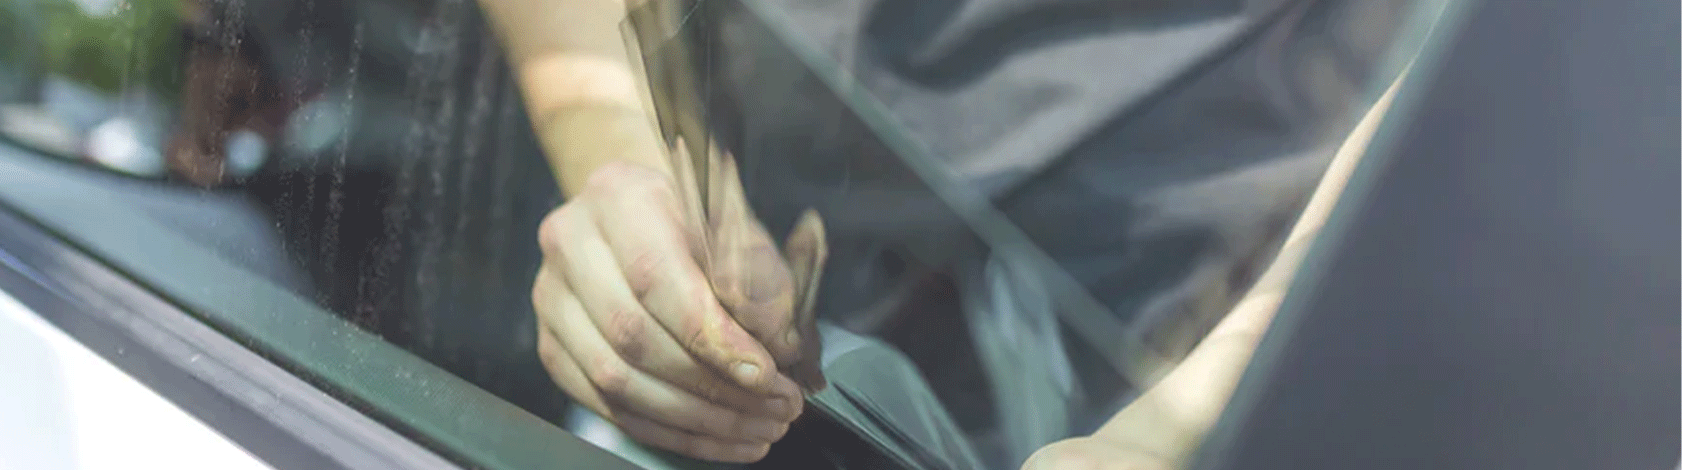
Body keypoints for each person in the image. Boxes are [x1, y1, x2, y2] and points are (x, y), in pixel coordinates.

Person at [475, 0, 1419, 466]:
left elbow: (1500, 84)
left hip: (1141, 359)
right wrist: (624, 161)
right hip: (701, 323)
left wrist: (1169, 433)